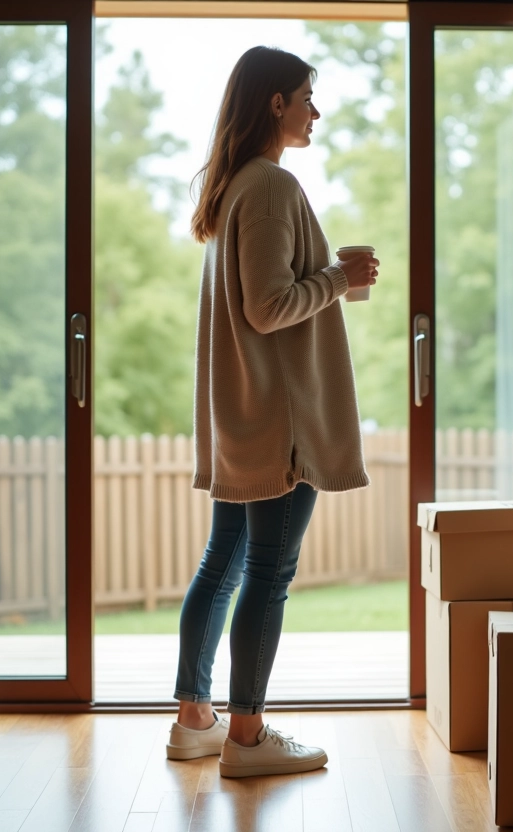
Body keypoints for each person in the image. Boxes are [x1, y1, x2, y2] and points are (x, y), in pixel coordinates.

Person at [165, 46, 378, 778]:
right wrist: (339, 277)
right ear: (275, 103)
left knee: (224, 563)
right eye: (307, 97)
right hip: (280, 423)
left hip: (245, 415)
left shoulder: (233, 189)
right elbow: (267, 308)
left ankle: (196, 719)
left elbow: (258, 306)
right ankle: (248, 737)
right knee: (268, 571)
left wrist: (331, 279)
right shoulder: (270, 187)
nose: (317, 111)